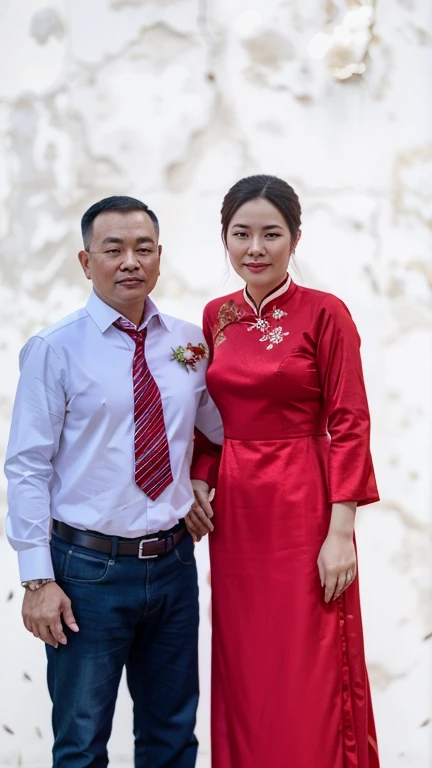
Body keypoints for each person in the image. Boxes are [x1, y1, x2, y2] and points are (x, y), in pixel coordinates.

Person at [4, 195, 223, 768]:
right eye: (114, 249)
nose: (130, 260)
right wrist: (36, 580)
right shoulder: (54, 349)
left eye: (143, 248)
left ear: (158, 258)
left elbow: (222, 432)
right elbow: (27, 466)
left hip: (174, 566)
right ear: (85, 261)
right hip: (86, 574)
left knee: (172, 737)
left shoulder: (189, 345)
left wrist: (202, 480)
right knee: (80, 744)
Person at [187, 175, 381, 768]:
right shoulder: (215, 316)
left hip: (305, 505)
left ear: (295, 238)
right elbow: (209, 419)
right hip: (239, 518)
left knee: (310, 659)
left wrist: (340, 531)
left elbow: (350, 420)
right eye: (241, 234)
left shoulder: (326, 314)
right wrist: (200, 474)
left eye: (271, 234)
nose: (256, 248)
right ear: (225, 240)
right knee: (248, 662)